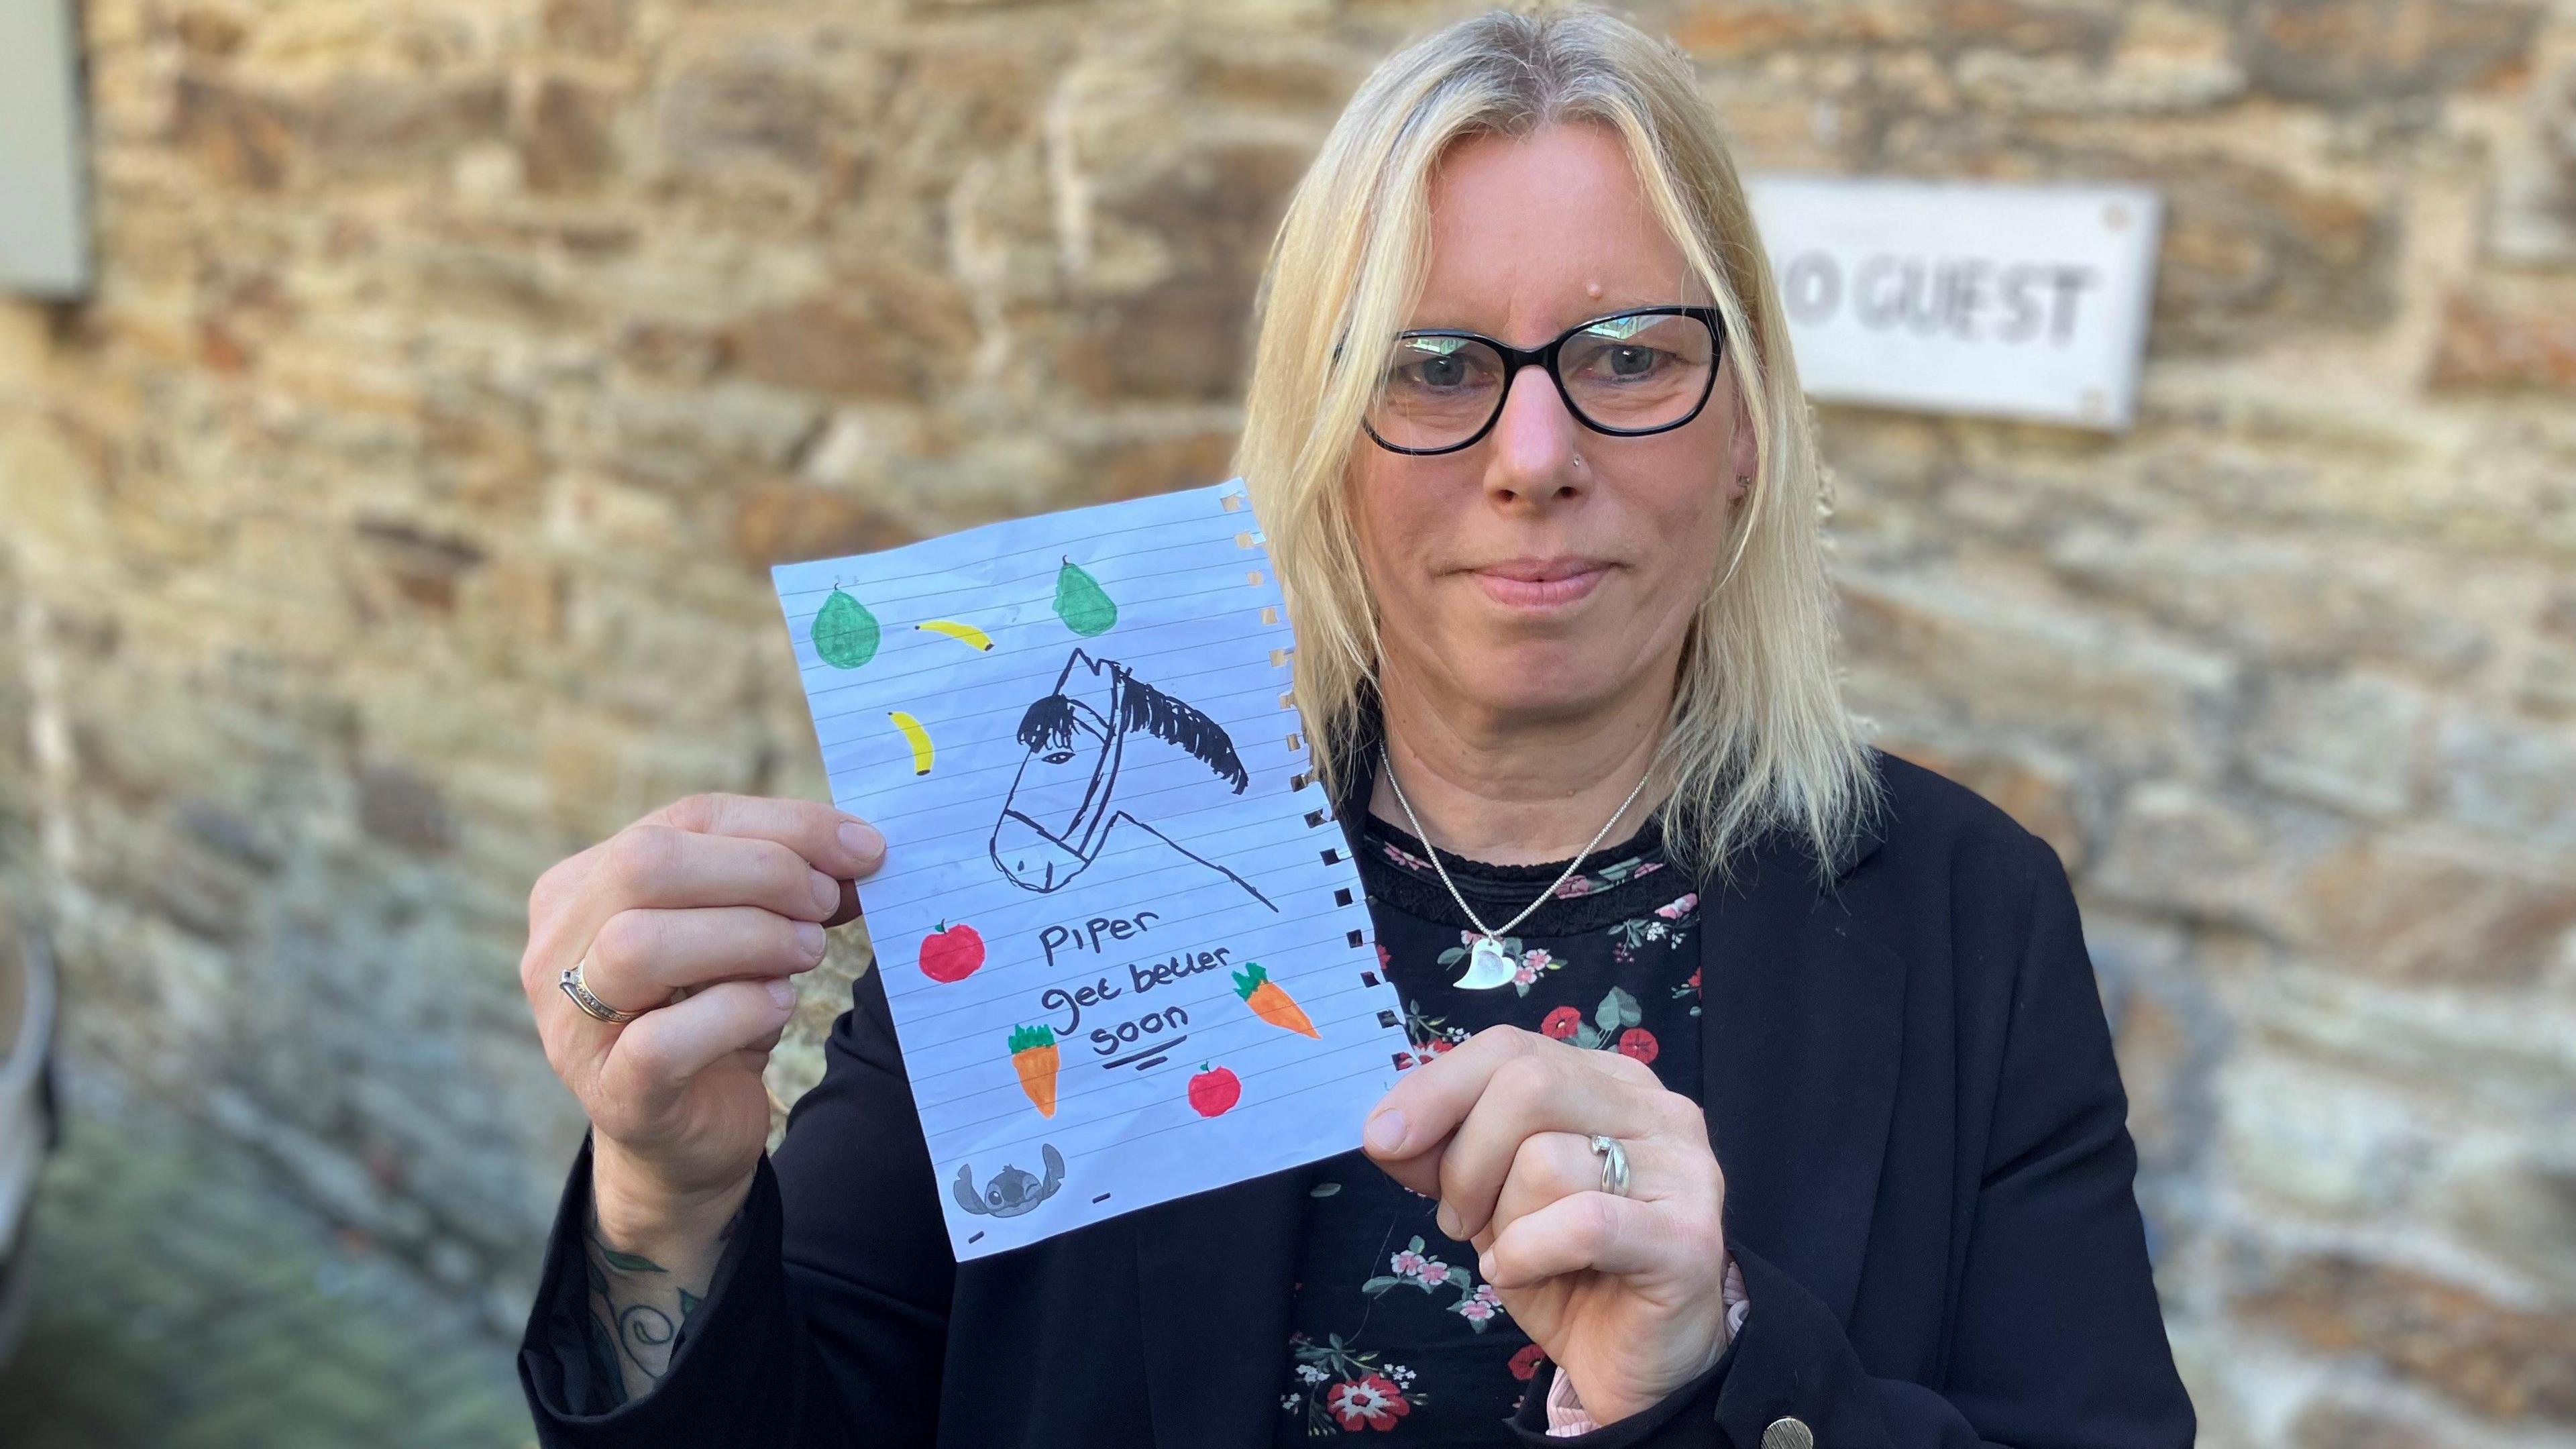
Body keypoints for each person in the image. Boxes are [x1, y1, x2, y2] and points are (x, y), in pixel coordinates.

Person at [513, 7, 2195, 1446]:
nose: (1533, 452)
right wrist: (666, 1199)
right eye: (1433, 367)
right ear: (1322, 439)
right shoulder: (1063, 890)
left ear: (1746, 424)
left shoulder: (1968, 913)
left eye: (1626, 353)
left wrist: (1723, 1366)